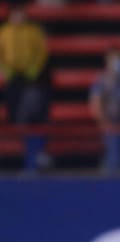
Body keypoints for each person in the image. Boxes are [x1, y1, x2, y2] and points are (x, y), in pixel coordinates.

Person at [0, 1, 50, 171]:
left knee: (32, 116)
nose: (19, 16)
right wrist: (7, 71)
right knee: (16, 119)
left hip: (32, 79)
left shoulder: (34, 31)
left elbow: (41, 53)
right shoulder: (4, 32)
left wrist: (34, 70)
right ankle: (20, 157)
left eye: (21, 12)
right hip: (13, 81)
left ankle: (34, 156)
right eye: (15, 13)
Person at [89, 47, 120, 172]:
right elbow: (96, 102)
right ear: (108, 61)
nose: (118, 62)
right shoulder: (102, 79)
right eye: (115, 59)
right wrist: (103, 122)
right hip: (111, 125)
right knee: (114, 160)